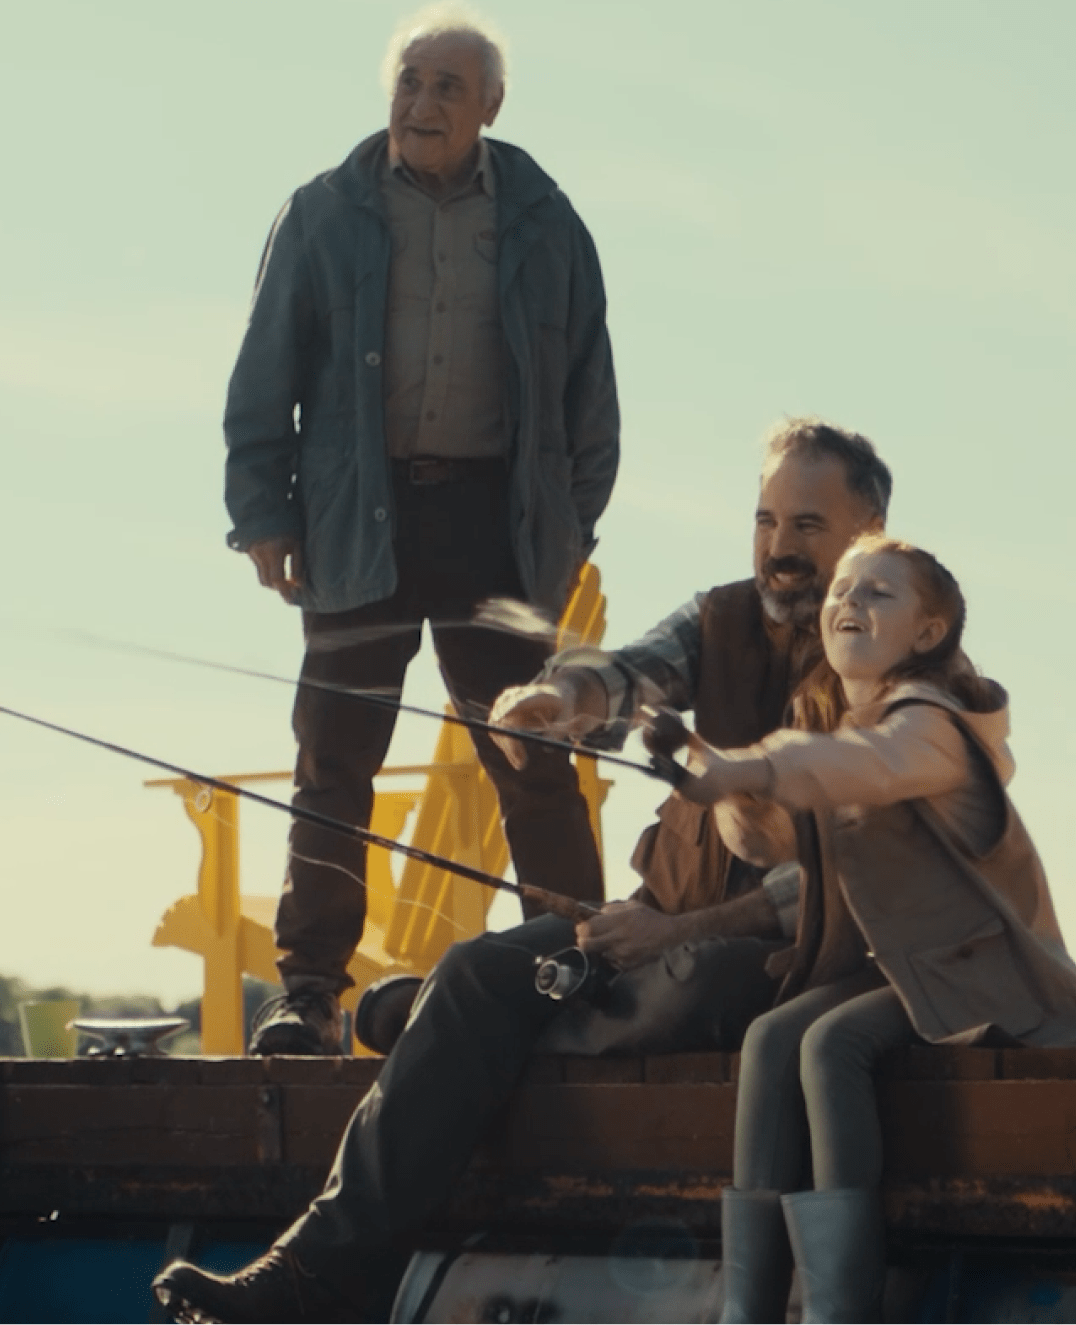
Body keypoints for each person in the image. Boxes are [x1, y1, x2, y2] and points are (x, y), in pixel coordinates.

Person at [153, 418, 894, 1325]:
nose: (778, 547)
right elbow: (628, 671)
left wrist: (675, 931)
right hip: (650, 930)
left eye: (807, 526)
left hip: (780, 956)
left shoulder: (895, 661)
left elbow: (840, 884)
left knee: (697, 982)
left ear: (867, 532)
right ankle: (315, 1269)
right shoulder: (724, 617)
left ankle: (427, 1025)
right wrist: (556, 695)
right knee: (479, 968)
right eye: (765, 520)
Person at [225, 7, 620, 1056]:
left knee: (533, 754)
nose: (422, 102)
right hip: (355, 520)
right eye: (409, 80)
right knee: (334, 760)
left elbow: (591, 396)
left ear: (490, 106)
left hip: (496, 528)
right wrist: (262, 512)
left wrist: (567, 531)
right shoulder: (322, 212)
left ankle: (585, 973)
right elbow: (262, 373)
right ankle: (309, 993)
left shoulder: (547, 221)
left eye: (448, 85)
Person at [672, 535, 1076, 1325]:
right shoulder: (836, 730)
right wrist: (721, 785)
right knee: (769, 1037)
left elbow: (869, 764)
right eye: (840, 589)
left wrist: (754, 766)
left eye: (877, 592)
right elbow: (772, 841)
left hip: (986, 973)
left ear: (927, 633)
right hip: (907, 967)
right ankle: (747, 1308)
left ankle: (839, 1309)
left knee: (832, 1043)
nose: (847, 601)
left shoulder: (932, 725)